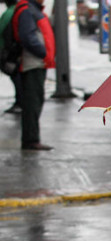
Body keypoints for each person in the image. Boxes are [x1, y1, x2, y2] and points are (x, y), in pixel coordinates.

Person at [11, 0, 54, 150]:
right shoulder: (27, 11)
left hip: (37, 62)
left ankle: (31, 138)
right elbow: (27, 37)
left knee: (35, 100)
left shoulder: (32, 9)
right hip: (32, 63)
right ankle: (31, 139)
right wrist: (43, 53)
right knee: (32, 102)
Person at [0, 0, 22, 114]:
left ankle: (19, 102)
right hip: (14, 50)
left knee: (15, 75)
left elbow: (3, 31)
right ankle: (20, 101)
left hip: (10, 51)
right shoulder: (16, 11)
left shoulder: (9, 13)